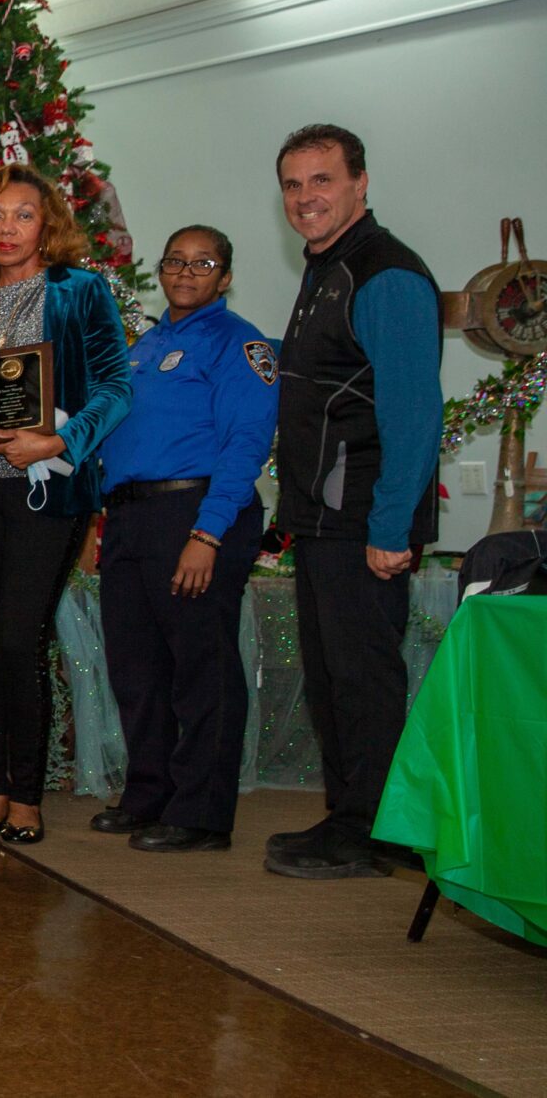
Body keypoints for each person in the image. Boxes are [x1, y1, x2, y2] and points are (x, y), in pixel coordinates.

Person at [0, 164, 132, 844]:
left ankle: (26, 798)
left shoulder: (79, 290)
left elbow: (116, 388)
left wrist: (56, 440)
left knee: (19, 640)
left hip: (46, 489)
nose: (7, 228)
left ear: (47, 224)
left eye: (22, 214)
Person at [265, 123, 440, 880]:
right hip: (320, 518)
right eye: (293, 184)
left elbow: (413, 413)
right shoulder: (327, 268)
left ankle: (371, 831)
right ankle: (351, 817)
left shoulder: (385, 274)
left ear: (360, 183)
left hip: (364, 519)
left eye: (322, 180)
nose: (306, 197)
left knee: (363, 677)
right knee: (333, 676)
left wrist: (391, 526)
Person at [89, 226, 277, 854]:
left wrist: (208, 534)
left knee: (202, 668)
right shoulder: (145, 345)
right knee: (137, 667)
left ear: (225, 277)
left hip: (195, 512)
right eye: (176, 261)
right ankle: (150, 794)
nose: (186, 272)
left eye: (204, 263)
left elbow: (246, 445)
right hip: (131, 517)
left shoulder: (239, 343)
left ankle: (201, 813)